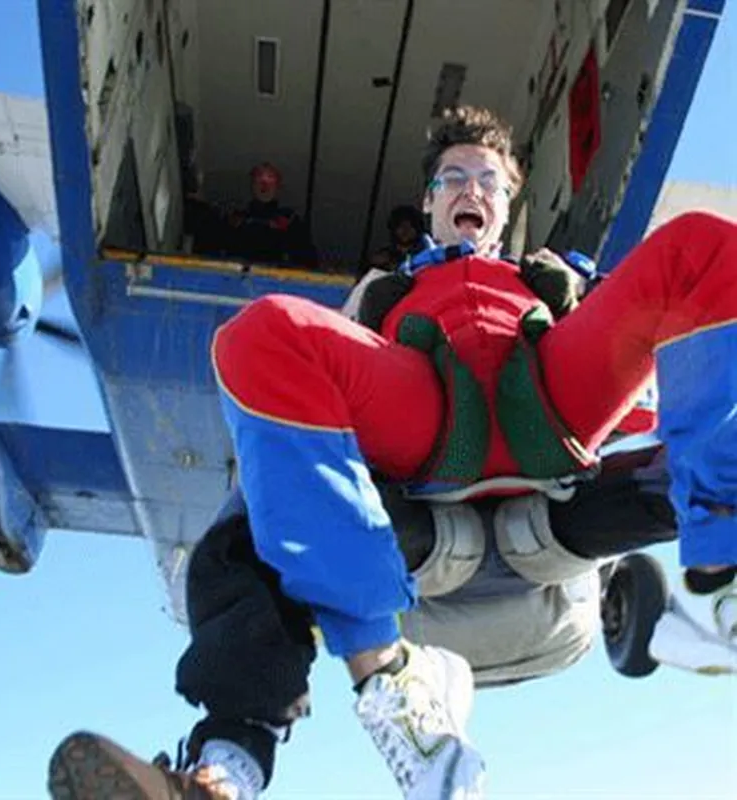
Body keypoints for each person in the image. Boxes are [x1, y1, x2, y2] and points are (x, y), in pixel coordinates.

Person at [47, 105, 737, 799]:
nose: (472, 190)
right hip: (432, 432)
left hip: (551, 416)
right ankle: (236, 764)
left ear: (507, 203)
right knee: (262, 347)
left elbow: (645, 389)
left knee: (703, 250)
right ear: (430, 201)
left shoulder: (553, 278)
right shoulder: (387, 292)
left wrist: (597, 326)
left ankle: (721, 580)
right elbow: (316, 410)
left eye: (489, 181)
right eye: (453, 178)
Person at [225, 162, 318, 269]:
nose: (264, 183)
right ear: (252, 184)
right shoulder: (236, 219)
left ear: (278, 186)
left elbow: (307, 262)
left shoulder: (291, 220)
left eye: (270, 177)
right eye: (259, 177)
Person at [360, 204, 427, 278]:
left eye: (411, 226)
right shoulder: (382, 257)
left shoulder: (424, 257)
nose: (405, 231)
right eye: (401, 226)